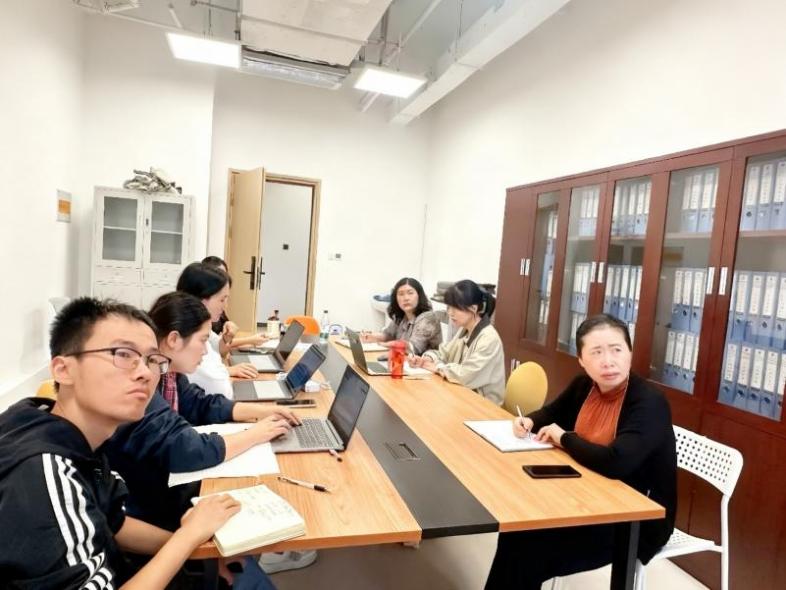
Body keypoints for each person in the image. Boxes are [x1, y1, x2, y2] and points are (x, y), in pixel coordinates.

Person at [0, 297, 242, 589]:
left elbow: (114, 523)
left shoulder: (65, 429)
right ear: (63, 369)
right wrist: (189, 537)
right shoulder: (42, 475)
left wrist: (195, 549)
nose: (145, 373)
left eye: (152, 360)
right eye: (123, 354)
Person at [485, 314, 677, 589]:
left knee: (529, 548)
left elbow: (617, 462)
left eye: (616, 350)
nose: (608, 361)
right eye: (596, 352)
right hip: (587, 493)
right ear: (582, 360)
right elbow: (552, 413)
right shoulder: (584, 385)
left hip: (636, 517)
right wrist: (529, 421)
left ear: (630, 353)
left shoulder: (649, 402)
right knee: (518, 530)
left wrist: (565, 439)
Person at [103, 291, 298, 532]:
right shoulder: (143, 388)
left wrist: (262, 411)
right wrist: (256, 433)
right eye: (203, 340)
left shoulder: (170, 376)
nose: (206, 351)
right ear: (174, 340)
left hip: (162, 492)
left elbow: (201, 405)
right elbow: (189, 449)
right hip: (151, 508)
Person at [410, 279, 505, 404]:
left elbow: (465, 375)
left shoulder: (489, 339)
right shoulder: (464, 330)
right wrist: (428, 359)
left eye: (456, 308)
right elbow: (444, 353)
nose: (450, 313)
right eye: (449, 307)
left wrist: (438, 367)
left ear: (474, 308)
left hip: (483, 406)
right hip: (462, 396)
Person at [177, 262, 258, 397]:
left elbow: (218, 350)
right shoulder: (187, 336)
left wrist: (226, 338)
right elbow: (220, 387)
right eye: (222, 300)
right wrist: (226, 372)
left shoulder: (201, 326)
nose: (225, 306)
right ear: (201, 299)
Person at [201, 255, 271, 351]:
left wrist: (227, 339)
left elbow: (219, 345)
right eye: (218, 276)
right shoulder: (198, 320)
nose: (223, 280)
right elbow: (218, 346)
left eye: (225, 275)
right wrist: (251, 340)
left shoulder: (214, 312)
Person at [360, 277, 442, 355]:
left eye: (410, 293)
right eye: (401, 294)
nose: (406, 298)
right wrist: (372, 337)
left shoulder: (428, 318)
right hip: (401, 360)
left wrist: (381, 344)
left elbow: (412, 347)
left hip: (421, 363)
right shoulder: (401, 315)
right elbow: (388, 335)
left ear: (419, 296)